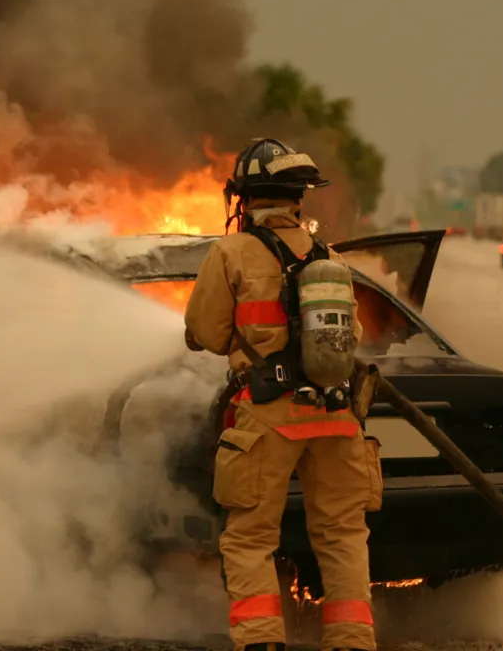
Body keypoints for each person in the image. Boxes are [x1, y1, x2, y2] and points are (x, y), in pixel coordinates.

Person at [184, 139, 377, 651]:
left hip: (270, 415)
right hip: (337, 417)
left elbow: (205, 332)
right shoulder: (329, 259)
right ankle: (352, 641)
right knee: (342, 536)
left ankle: (263, 641)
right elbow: (351, 339)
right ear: (299, 199)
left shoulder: (231, 252)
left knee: (250, 537)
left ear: (243, 199)